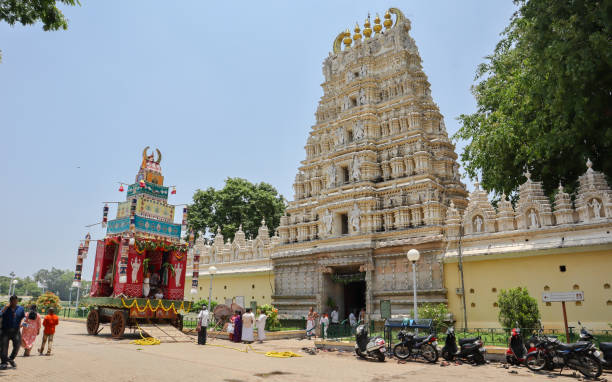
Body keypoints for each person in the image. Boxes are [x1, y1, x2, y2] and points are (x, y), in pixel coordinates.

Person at [1, 296, 25, 369]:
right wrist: (5, 308)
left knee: (17, 346)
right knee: (4, 348)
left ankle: (11, 359)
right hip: (5, 331)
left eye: (16, 301)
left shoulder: (21, 308)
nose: (15, 302)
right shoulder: (5, 308)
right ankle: (4, 363)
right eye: (13, 301)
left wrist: (22, 322)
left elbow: (23, 317)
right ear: (10, 301)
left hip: (16, 331)